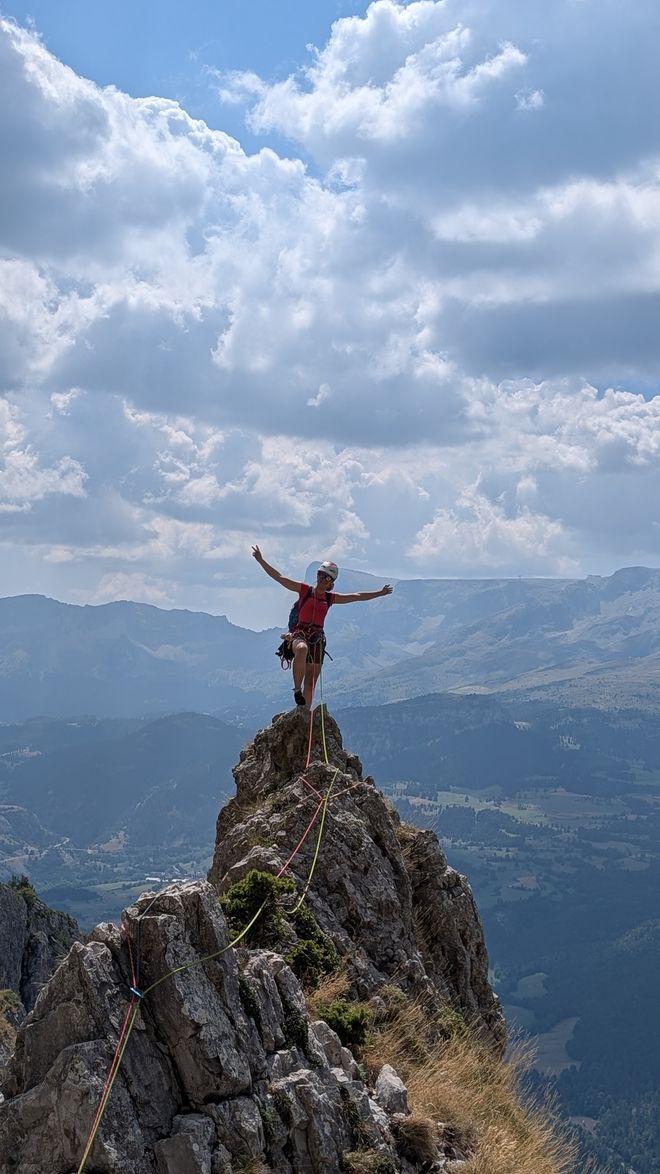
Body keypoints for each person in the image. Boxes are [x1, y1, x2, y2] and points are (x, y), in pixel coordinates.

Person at [252, 545, 393, 707]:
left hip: (317, 638)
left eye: (326, 577)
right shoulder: (304, 590)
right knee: (302, 649)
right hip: (300, 633)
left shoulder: (330, 598)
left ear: (331, 583)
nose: (322, 579)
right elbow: (280, 577)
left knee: (311, 683)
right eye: (320, 575)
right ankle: (297, 690)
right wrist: (261, 560)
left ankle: (306, 713)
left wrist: (379, 593)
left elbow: (357, 596)